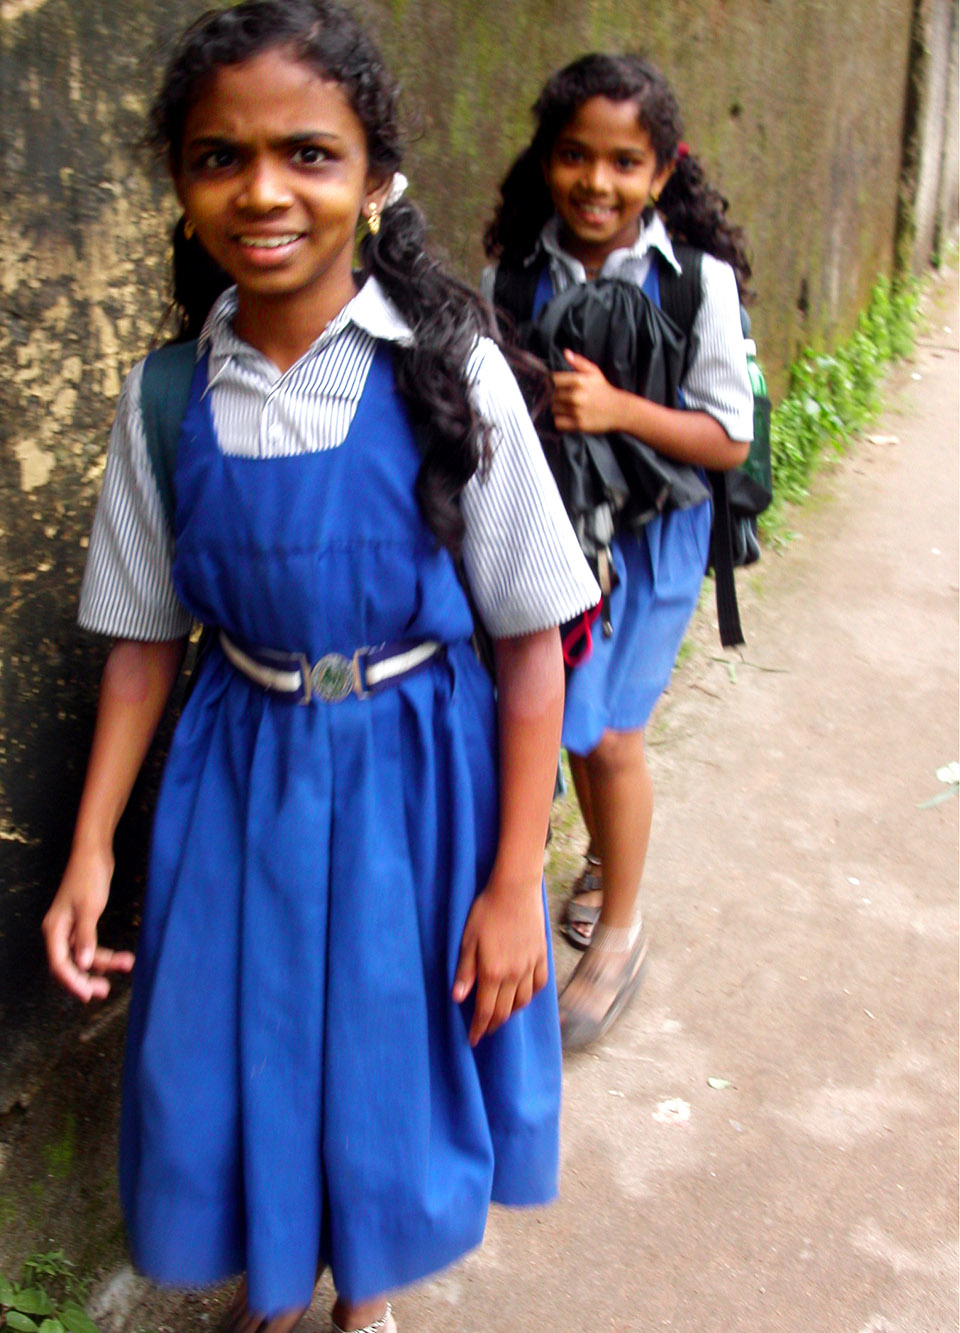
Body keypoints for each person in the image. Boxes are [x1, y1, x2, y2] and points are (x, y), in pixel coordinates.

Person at [41, 4, 600, 1331]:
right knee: (248, 1040)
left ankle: (369, 1297)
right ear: (180, 185)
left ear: (376, 179)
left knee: (392, 1044)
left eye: (309, 153)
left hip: (422, 777)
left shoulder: (448, 371)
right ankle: (276, 1274)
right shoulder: (168, 395)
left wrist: (517, 879)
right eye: (217, 157)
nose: (263, 190)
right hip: (238, 775)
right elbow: (139, 642)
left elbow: (530, 648)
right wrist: (91, 850)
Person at [482, 53, 754, 1051]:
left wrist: (619, 410)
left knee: (611, 733)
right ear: (546, 159)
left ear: (661, 170)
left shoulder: (698, 287)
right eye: (574, 156)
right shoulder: (510, 277)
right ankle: (604, 858)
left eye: (624, 163)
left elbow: (725, 437)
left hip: (656, 540)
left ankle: (622, 929)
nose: (597, 183)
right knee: (570, 721)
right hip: (559, 539)